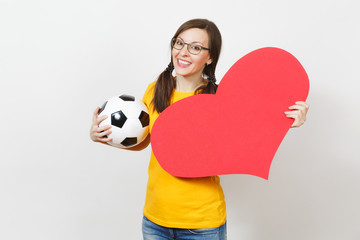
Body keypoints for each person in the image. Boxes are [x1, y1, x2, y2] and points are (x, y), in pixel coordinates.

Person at [90, 18, 309, 240]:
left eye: (195, 47)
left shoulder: (219, 101)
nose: (183, 52)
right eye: (179, 43)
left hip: (203, 224)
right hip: (155, 220)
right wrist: (103, 137)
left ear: (210, 57)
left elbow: (247, 138)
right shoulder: (155, 90)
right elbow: (146, 142)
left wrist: (286, 121)